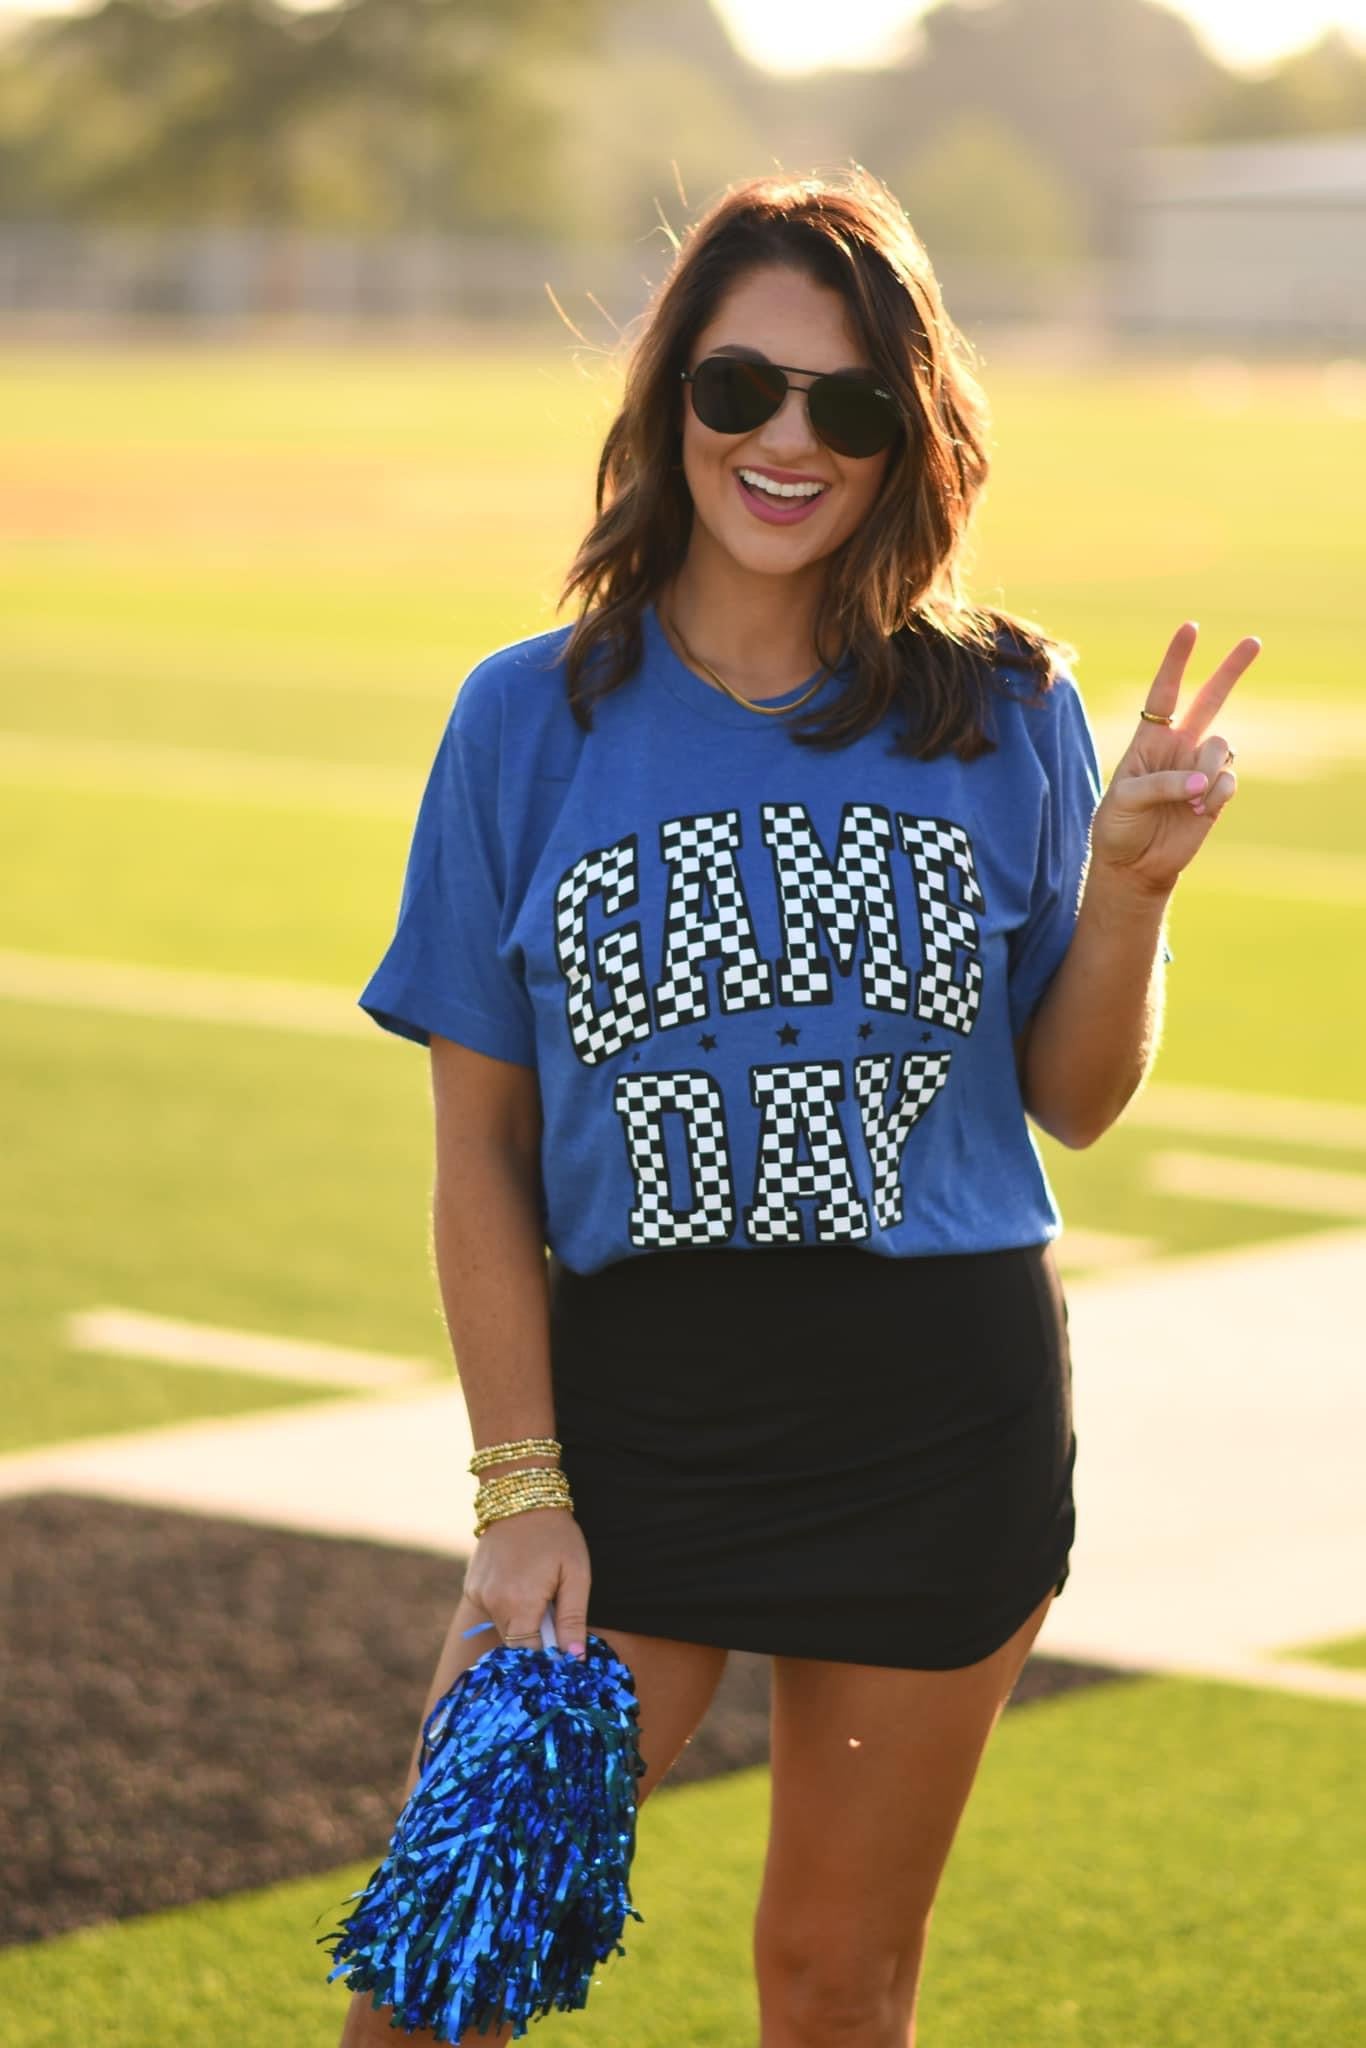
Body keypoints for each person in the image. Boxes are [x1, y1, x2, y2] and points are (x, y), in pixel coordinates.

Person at [339, 167, 1255, 2048]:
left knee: (834, 1981)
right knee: (449, 1977)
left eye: (846, 405)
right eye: (738, 387)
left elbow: (1067, 1104)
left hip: (937, 1409)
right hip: (634, 1418)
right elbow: (477, 1151)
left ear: (908, 436)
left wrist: (1134, 893)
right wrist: (520, 1490)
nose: (786, 441)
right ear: (668, 397)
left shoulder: (1004, 709)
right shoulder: (526, 718)